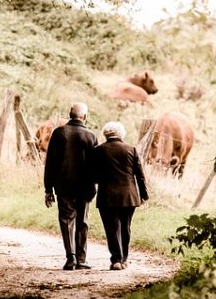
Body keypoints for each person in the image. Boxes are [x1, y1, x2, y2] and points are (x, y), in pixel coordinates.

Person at [44, 102, 98, 271]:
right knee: (83, 221)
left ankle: (71, 258)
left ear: (69, 114)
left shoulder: (59, 133)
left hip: (63, 185)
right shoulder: (91, 136)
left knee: (66, 220)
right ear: (85, 117)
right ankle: (82, 259)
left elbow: (50, 163)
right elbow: (96, 165)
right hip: (85, 186)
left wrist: (48, 189)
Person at [93, 121, 149, 270]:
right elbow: (140, 175)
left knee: (112, 228)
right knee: (126, 227)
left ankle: (116, 260)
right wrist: (143, 194)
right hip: (129, 195)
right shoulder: (131, 149)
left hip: (107, 195)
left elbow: (93, 175)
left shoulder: (98, 150)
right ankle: (124, 259)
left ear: (106, 134)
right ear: (121, 134)